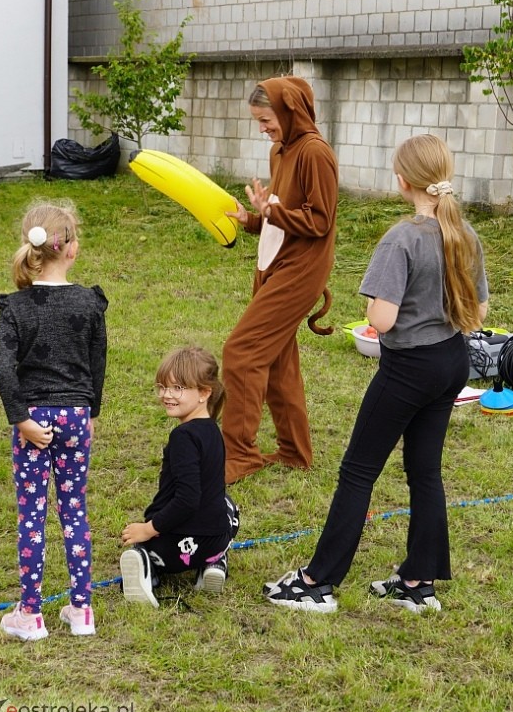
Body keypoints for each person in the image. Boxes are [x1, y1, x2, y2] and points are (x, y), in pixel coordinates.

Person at [264, 133, 488, 614]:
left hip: (410, 368)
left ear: (402, 180)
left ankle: (317, 583)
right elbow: (480, 312)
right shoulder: (465, 233)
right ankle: (417, 583)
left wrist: (371, 304)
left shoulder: (402, 238)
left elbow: (382, 321)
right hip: (452, 361)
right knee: (425, 470)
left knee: (358, 470)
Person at [0, 200, 107, 641]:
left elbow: (3, 369)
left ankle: (31, 614)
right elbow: (97, 362)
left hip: (34, 424)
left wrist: (20, 419)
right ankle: (82, 610)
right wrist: (90, 411)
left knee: (33, 515)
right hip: (76, 418)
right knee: (74, 509)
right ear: (72, 248)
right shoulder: (89, 304)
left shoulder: (16, 308)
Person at [221, 75, 338, 481]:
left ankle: (239, 454)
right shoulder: (280, 151)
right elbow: (284, 216)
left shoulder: (315, 153)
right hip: (275, 262)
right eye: (258, 120)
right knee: (276, 358)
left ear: (289, 112)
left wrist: (270, 211)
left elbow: (319, 221)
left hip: (301, 269)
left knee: (242, 352)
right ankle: (294, 451)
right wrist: (253, 219)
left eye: (265, 119)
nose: (262, 129)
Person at [120, 346, 240, 608]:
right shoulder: (213, 430)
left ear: (204, 393)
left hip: (173, 548)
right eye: (163, 387)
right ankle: (214, 562)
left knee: (141, 547)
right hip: (214, 541)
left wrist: (147, 529)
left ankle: (147, 567)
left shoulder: (183, 437)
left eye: (178, 388)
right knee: (229, 505)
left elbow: (187, 499)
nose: (167, 394)